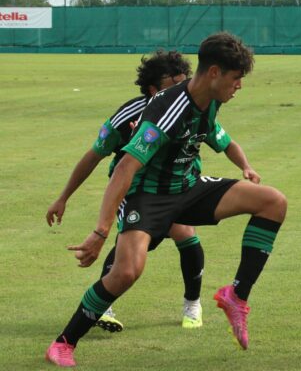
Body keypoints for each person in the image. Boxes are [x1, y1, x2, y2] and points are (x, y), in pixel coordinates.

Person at [45, 32, 288, 367]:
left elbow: (222, 140)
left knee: (273, 202)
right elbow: (124, 168)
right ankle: (64, 343)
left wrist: (246, 167)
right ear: (214, 73)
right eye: (236, 78)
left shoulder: (211, 101)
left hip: (188, 188)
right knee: (126, 273)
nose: (239, 86)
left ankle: (236, 297)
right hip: (147, 198)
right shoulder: (167, 111)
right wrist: (100, 231)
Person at [46, 50, 206, 332]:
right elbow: (94, 155)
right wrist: (63, 197)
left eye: (186, 81)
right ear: (154, 89)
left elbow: (215, 137)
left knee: (184, 233)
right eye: (175, 84)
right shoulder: (128, 115)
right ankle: (103, 305)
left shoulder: (192, 104)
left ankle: (192, 303)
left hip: (178, 184)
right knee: (130, 245)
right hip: (136, 189)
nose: (184, 89)